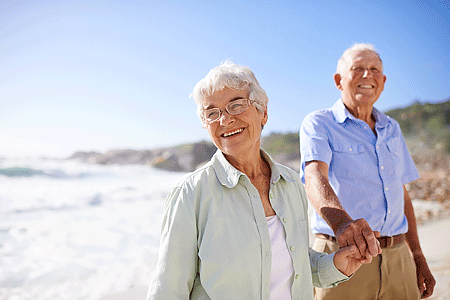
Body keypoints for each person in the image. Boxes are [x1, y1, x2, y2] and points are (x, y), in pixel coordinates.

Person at [147, 61, 377, 300]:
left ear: (263, 112)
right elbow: (168, 290)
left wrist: (335, 266)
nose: (224, 120)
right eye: (212, 113)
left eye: (236, 105)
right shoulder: (191, 193)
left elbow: (296, 263)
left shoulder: (290, 183)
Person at [300, 43, 436, 299]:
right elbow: (314, 176)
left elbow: (402, 194)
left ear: (383, 82)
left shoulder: (392, 128)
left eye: (374, 69)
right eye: (358, 69)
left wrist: (417, 255)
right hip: (343, 254)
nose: (367, 75)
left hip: (398, 257)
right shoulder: (319, 123)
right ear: (339, 80)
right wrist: (343, 225)